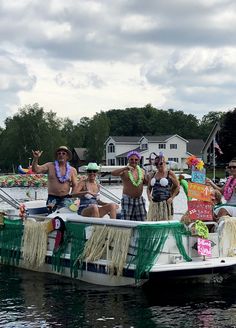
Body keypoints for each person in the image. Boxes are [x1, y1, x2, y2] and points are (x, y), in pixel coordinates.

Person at [32, 146, 78, 211]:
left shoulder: (72, 170)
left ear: (67, 156)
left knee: (65, 215)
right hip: (52, 198)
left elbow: (75, 185)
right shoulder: (50, 166)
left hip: (66, 198)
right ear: (56, 156)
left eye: (63, 153)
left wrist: (72, 197)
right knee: (52, 217)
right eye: (59, 153)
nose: (61, 155)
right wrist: (36, 158)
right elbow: (35, 170)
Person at [111, 150, 147, 221]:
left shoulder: (142, 171)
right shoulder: (125, 171)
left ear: (139, 160)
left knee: (143, 220)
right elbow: (113, 173)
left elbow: (146, 182)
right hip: (128, 199)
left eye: (136, 159)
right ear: (128, 160)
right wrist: (125, 168)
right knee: (126, 221)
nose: (134, 161)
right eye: (132, 159)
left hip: (139, 200)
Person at [147, 153, 179, 221]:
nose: (158, 165)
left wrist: (172, 198)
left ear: (164, 163)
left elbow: (177, 186)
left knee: (165, 222)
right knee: (154, 221)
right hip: (154, 204)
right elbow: (149, 188)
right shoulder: (153, 174)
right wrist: (149, 196)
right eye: (156, 164)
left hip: (165, 203)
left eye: (160, 163)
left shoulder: (169, 173)